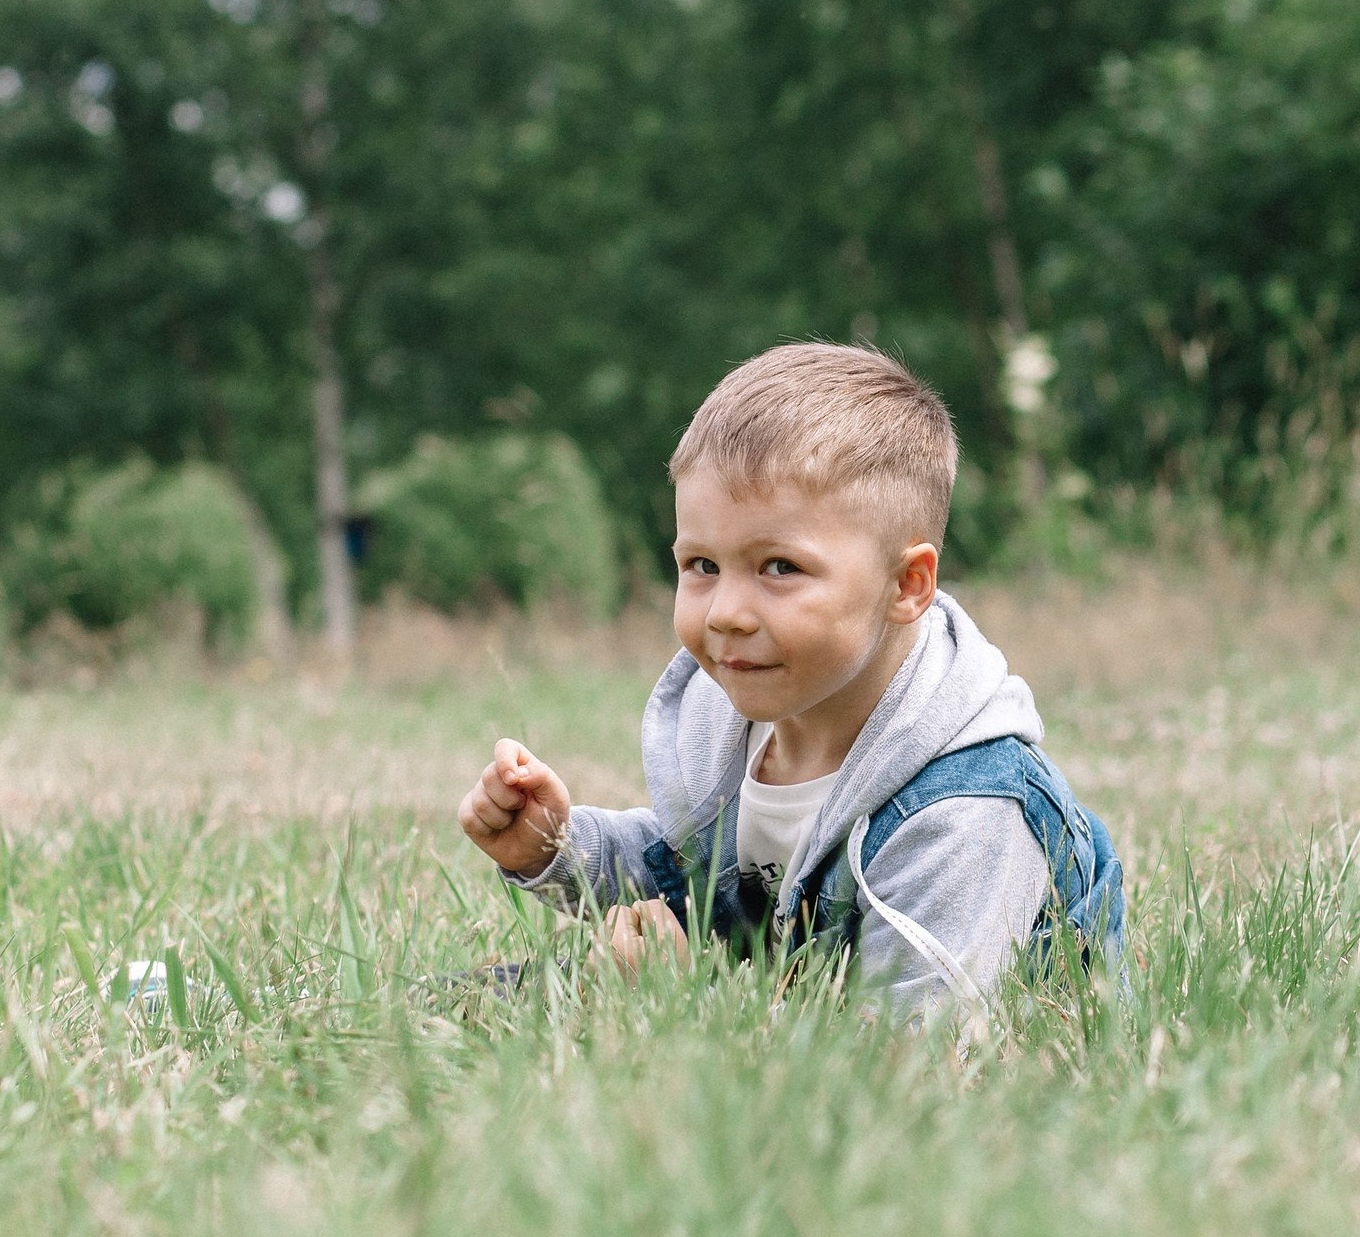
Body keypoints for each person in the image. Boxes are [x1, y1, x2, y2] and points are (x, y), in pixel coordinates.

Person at [455, 342, 1122, 1017]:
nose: (727, 613)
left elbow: (915, 1058)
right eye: (702, 565)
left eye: (779, 567)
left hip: (904, 1060)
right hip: (783, 1008)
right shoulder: (754, 722)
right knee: (474, 1005)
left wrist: (691, 1003)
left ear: (907, 585)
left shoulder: (964, 813)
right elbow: (699, 880)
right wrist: (556, 847)